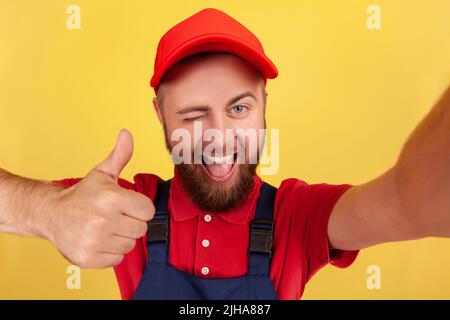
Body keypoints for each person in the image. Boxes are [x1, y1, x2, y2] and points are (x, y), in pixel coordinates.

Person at [0, 8, 449, 300]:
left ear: (265, 105)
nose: (219, 136)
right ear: (160, 115)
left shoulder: (300, 218)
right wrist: (48, 210)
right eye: (194, 114)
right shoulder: (123, 206)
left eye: (238, 108)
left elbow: (412, 202)